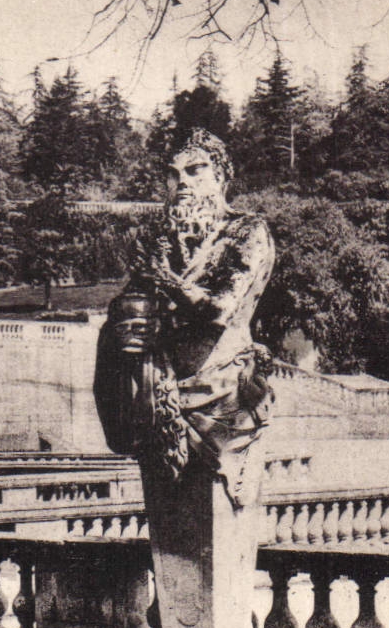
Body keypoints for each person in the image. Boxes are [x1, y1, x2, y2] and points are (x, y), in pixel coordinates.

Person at [95, 129, 275, 507]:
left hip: (221, 397)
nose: (182, 184)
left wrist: (167, 281)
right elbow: (128, 306)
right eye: (174, 175)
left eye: (195, 171)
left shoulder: (247, 231)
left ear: (223, 177)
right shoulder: (164, 242)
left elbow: (219, 310)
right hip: (161, 400)